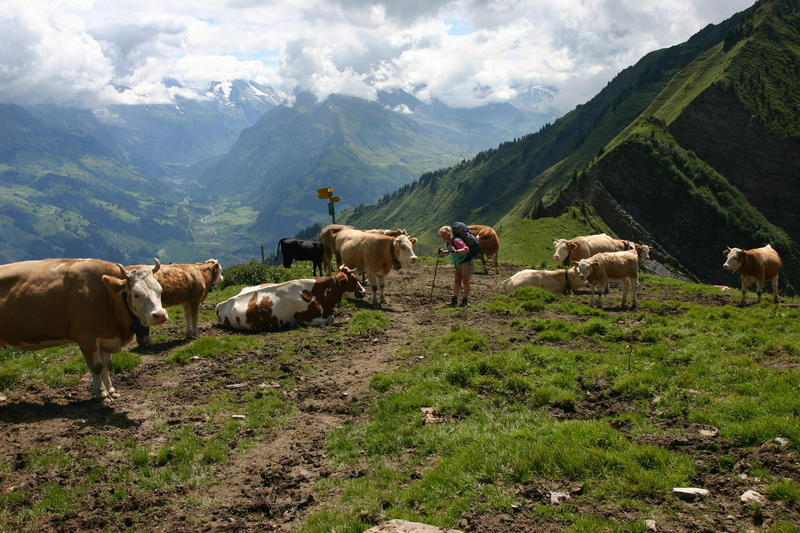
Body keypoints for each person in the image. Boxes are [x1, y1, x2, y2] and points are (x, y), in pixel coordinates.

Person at [438, 225, 473, 306]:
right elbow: (452, 251)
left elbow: (466, 249)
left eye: (443, 235)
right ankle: (454, 300)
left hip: (466, 263)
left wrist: (456, 251)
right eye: (441, 235)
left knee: (465, 281)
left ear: (448, 234)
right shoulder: (449, 242)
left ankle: (465, 301)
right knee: (457, 281)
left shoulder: (456, 240)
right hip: (458, 264)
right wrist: (444, 251)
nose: (442, 237)